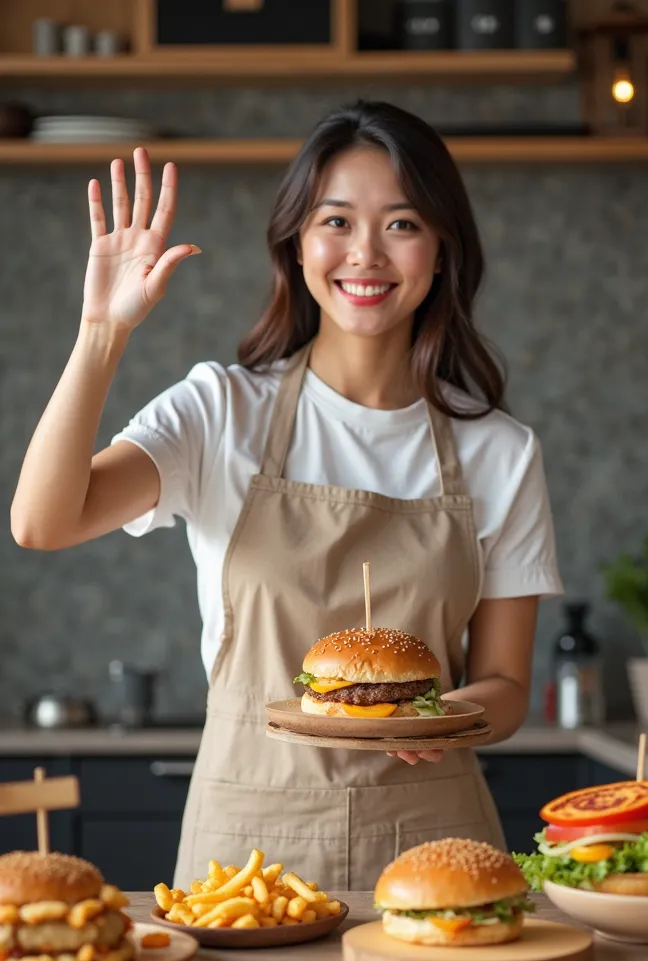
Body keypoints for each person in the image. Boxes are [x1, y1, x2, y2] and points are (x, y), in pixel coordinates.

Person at [11, 101, 562, 889]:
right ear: (298, 244)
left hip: (434, 849)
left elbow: (505, 685)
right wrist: (102, 333)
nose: (365, 253)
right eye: (335, 221)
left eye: (402, 224)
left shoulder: (501, 451)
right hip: (246, 853)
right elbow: (41, 522)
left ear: (442, 250)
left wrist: (447, 716)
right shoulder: (217, 411)